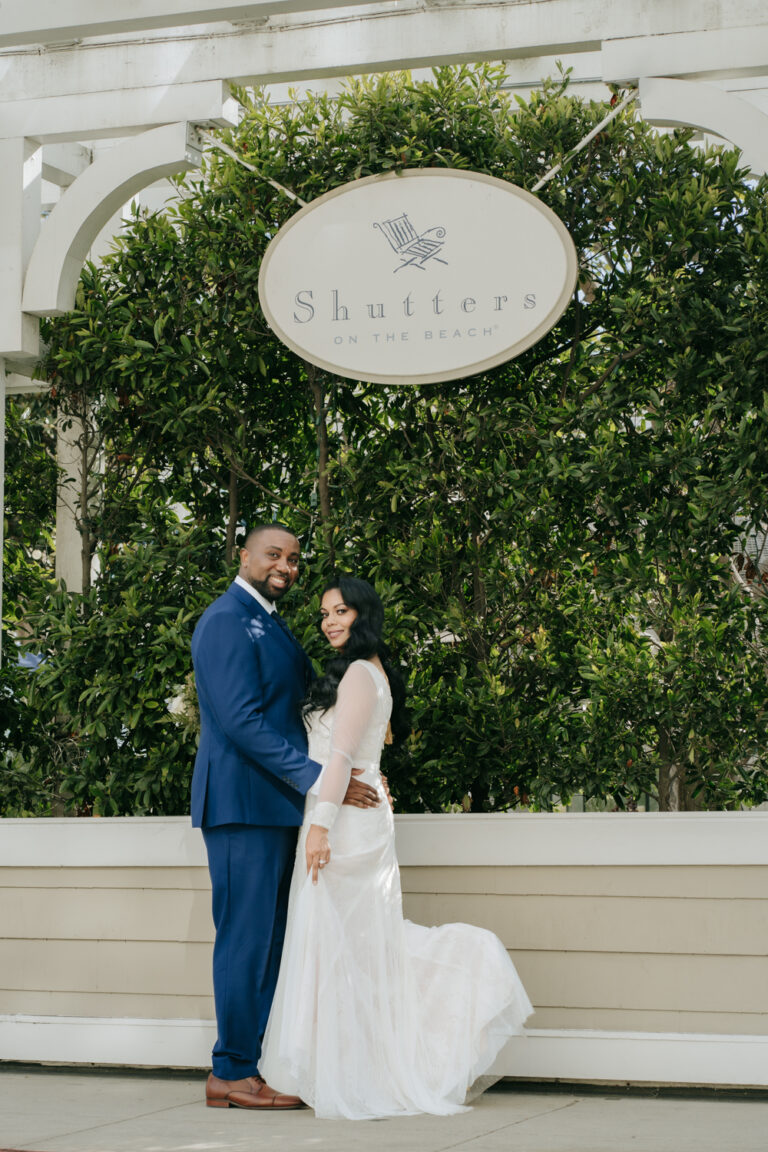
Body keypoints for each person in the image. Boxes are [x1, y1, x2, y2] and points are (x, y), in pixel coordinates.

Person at [259, 574, 533, 1120]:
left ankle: (343, 1066)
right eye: (324, 614)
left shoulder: (361, 674)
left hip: (344, 823)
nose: (330, 621)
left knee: (343, 943)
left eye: (340, 611)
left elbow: (339, 759)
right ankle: (334, 1065)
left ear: (363, 614)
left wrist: (320, 826)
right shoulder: (368, 671)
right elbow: (362, 754)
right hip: (355, 813)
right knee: (350, 944)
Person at [190, 525, 381, 1111]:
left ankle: (262, 1063)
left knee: (274, 939)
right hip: (242, 804)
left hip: (277, 806)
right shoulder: (225, 620)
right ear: (243, 556)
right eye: (273, 554)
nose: (285, 566)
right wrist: (322, 780)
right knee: (247, 938)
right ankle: (232, 1070)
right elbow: (242, 721)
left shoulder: (269, 621)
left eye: (293, 559)